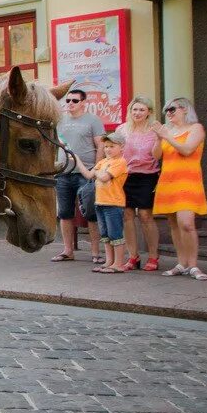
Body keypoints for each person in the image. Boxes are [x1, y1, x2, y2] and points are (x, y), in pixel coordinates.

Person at [151, 98, 207, 280]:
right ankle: (182, 262)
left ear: (184, 109)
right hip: (168, 181)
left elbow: (187, 150)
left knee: (186, 223)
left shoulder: (195, 128)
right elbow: (156, 155)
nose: (168, 113)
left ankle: (193, 265)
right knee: (173, 224)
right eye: (166, 109)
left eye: (172, 109)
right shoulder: (169, 131)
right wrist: (159, 138)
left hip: (188, 182)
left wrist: (167, 136)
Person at [50, 89, 106, 264]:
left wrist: (96, 169)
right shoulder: (60, 121)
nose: (70, 104)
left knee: (91, 213)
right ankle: (68, 250)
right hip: (64, 173)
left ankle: (95, 252)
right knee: (65, 213)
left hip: (86, 173)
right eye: (67, 101)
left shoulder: (93, 120)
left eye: (74, 101)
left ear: (83, 102)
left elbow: (101, 145)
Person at [115, 96, 161, 271]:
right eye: (135, 109)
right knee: (126, 215)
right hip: (126, 176)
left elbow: (157, 156)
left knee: (145, 215)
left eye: (142, 110)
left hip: (147, 176)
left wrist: (159, 139)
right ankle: (133, 256)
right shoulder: (122, 130)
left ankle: (153, 255)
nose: (137, 113)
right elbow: (114, 152)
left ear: (149, 112)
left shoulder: (153, 130)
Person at [76, 132, 129, 274]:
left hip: (114, 203)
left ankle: (118, 264)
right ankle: (109, 261)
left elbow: (104, 177)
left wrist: (98, 171)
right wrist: (77, 160)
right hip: (100, 202)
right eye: (106, 146)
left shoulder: (120, 162)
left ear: (121, 147)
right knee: (105, 234)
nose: (108, 149)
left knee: (115, 234)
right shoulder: (102, 162)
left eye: (112, 146)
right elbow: (88, 175)